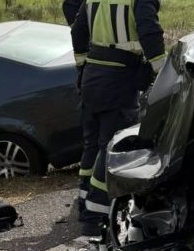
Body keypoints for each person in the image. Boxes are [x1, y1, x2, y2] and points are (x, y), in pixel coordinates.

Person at [71, 0, 166, 236]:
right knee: (111, 147)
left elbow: (78, 30)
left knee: (92, 144)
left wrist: (82, 66)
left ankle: (84, 201)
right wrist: (163, 70)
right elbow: (149, 31)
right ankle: (96, 216)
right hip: (118, 78)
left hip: (91, 74)